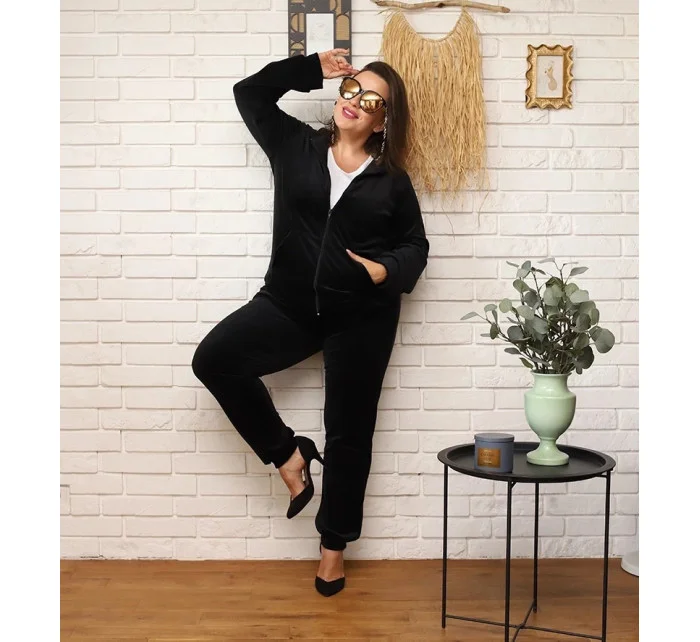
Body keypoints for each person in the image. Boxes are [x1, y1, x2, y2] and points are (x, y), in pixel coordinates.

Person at [191, 48, 429, 597]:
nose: (356, 102)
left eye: (372, 101)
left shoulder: (391, 180)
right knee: (216, 360)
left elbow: (416, 246)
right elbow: (249, 93)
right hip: (289, 304)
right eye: (352, 89)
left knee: (349, 433)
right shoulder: (295, 144)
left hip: (362, 317)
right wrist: (310, 69)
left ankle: (333, 551)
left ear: (382, 121)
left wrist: (384, 271)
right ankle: (287, 453)